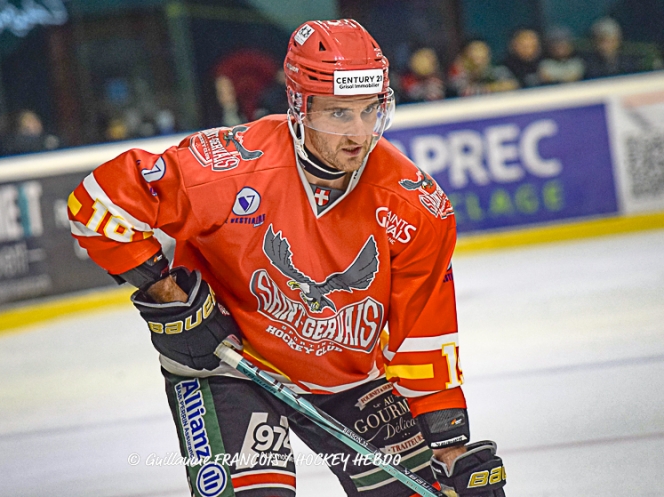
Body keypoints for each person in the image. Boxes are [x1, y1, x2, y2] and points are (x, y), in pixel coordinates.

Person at [69, 19, 506, 497]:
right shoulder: (229, 166)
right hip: (226, 362)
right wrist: (166, 294)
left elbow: (423, 337)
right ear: (299, 105)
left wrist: (449, 449)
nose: (359, 134)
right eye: (338, 113)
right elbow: (97, 202)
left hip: (348, 376)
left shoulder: (415, 206)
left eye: (370, 110)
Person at [448, 39, 518, 97]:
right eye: (474, 50)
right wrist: (493, 88)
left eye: (482, 50)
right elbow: (464, 92)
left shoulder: (498, 69)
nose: (478, 54)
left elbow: (512, 85)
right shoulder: (457, 72)